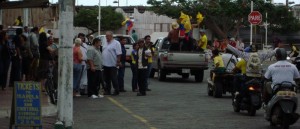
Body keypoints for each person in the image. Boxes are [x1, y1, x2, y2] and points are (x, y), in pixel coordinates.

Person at [102, 31, 122, 96]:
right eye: (106, 36)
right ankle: (108, 90)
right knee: (106, 79)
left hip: (113, 64)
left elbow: (119, 53)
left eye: (107, 36)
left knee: (114, 78)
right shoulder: (105, 43)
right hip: (105, 64)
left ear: (111, 36)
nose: (106, 37)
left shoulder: (116, 43)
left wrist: (118, 61)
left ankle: (116, 90)